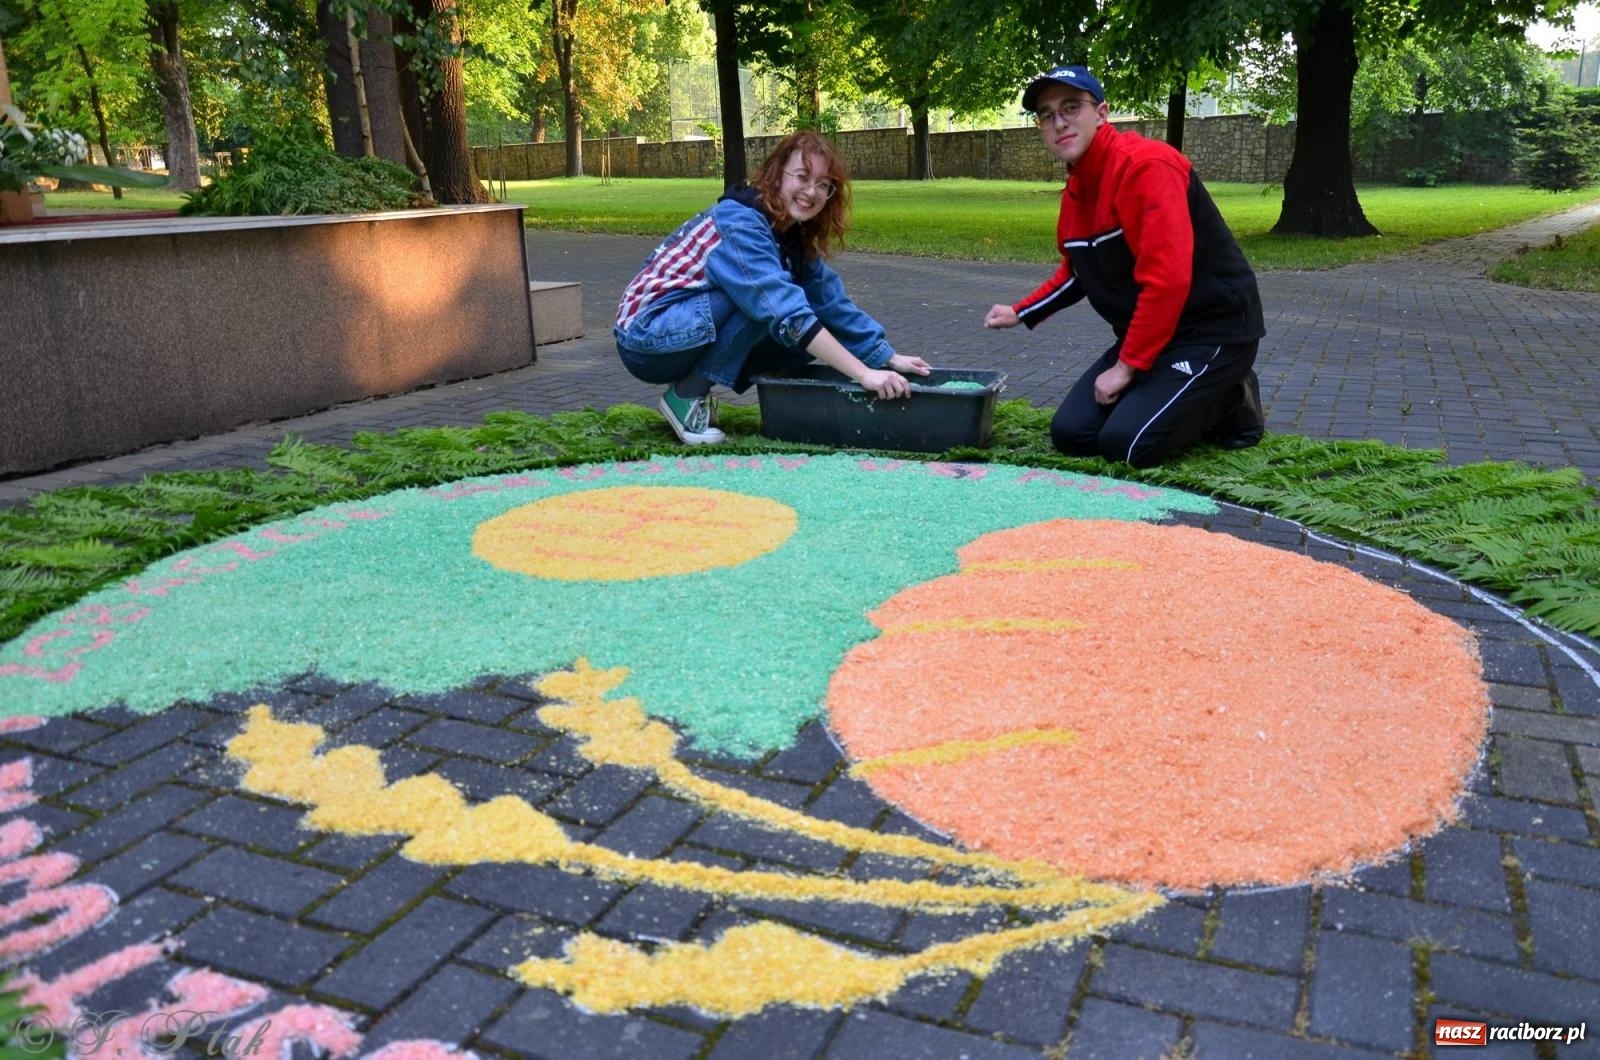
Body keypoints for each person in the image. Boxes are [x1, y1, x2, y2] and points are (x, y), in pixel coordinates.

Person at [983, 64, 1267, 467]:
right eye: (1046, 115)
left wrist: (1126, 367)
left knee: (1128, 446)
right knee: (1072, 434)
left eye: (1070, 107)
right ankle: (1168, 386)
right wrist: (1020, 312)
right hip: (1150, 336)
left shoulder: (1146, 166)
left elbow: (1167, 281)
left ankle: (1231, 395)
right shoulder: (1077, 192)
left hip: (1212, 332)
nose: (1059, 122)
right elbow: (1078, 271)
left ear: (1101, 113)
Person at [616, 130, 931, 445]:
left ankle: (693, 390)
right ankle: (685, 395)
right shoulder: (742, 222)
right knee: (769, 305)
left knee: (804, 329)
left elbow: (830, 302)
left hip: (683, 327)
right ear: (777, 174)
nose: (811, 191)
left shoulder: (790, 234)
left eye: (823, 184)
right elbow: (785, 312)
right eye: (802, 176)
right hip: (646, 338)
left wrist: (884, 356)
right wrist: (864, 374)